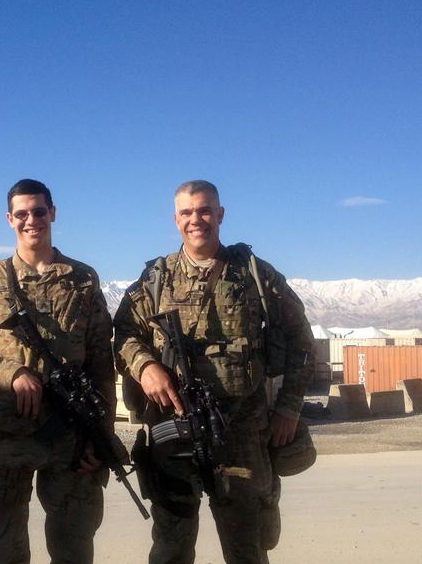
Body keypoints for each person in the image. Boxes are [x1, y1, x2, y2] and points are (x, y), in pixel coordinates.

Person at [113, 179, 315, 564]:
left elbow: (301, 342)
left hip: (242, 430)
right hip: (173, 430)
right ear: (175, 220)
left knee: (247, 547)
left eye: (204, 210)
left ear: (220, 214)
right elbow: (123, 333)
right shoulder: (157, 278)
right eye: (186, 213)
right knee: (171, 543)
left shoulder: (254, 274)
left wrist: (289, 408)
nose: (196, 220)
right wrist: (146, 366)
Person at [0, 179, 116, 564]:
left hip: (71, 434)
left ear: (52, 213)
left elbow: (101, 363)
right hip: (9, 432)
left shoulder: (82, 279)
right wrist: (12, 372)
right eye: (21, 214)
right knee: (5, 543)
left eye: (38, 211)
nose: (31, 220)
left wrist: (100, 435)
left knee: (74, 543)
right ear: (9, 219)